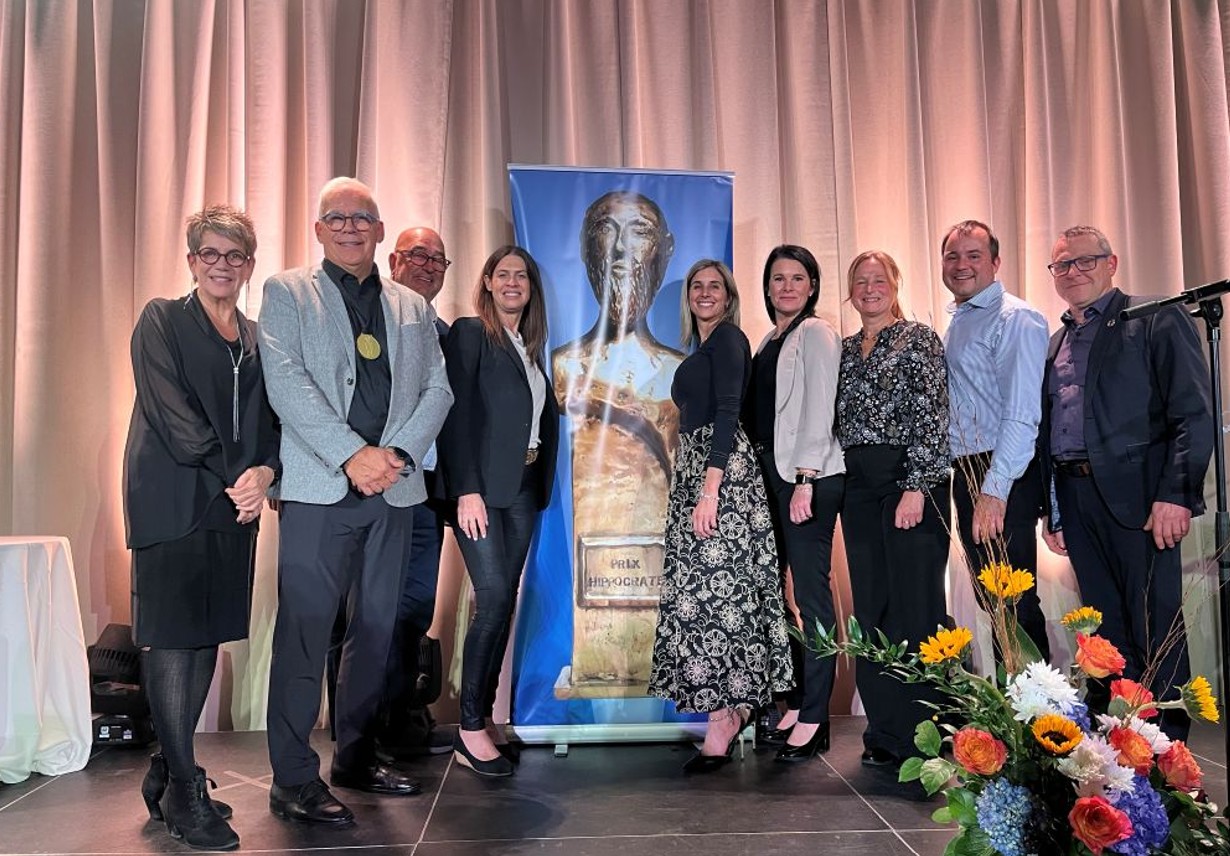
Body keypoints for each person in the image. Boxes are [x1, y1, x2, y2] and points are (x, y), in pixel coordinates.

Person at [258, 177, 453, 824]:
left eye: (361, 217)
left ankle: (356, 755)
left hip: (393, 492)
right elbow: (286, 383)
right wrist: (352, 454)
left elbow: (438, 392)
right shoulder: (288, 292)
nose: (349, 227)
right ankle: (291, 778)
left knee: (375, 632)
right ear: (318, 230)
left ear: (377, 229)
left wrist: (392, 456)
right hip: (320, 490)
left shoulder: (412, 307)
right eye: (335, 217)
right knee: (305, 633)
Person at [123, 204, 279, 851]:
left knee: (206, 636)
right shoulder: (161, 319)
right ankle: (185, 791)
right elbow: (174, 417)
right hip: (173, 497)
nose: (221, 265)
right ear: (192, 261)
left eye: (234, 255)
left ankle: (168, 769)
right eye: (209, 254)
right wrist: (236, 478)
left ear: (248, 264)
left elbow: (272, 419)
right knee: (172, 641)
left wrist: (265, 474)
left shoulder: (258, 335)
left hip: (233, 504)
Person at [1041, 225, 1213, 740]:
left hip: (1142, 500)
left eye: (1084, 261)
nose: (1072, 272)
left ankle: (1168, 759)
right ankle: (1122, 747)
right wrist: (1054, 510)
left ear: (1111, 263)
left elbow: (1193, 412)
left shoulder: (1154, 316)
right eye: (1062, 266)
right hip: (1077, 499)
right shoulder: (1056, 342)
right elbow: (1054, 431)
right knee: (1105, 636)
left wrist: (1175, 495)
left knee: (1155, 627)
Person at [649, 259, 793, 773]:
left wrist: (710, 491)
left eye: (715, 286)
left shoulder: (730, 340)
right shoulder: (705, 347)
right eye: (697, 286)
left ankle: (725, 719)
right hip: (699, 471)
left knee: (718, 599)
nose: (705, 293)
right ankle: (727, 711)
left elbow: (730, 410)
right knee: (706, 598)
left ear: (729, 296)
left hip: (721, 476)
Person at [550, 190, 684, 694]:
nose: (623, 248)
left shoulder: (679, 373)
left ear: (665, 251)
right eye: (607, 229)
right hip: (594, 541)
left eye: (641, 231)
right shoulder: (565, 366)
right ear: (587, 248)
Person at [438, 246, 559, 777]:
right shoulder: (470, 333)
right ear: (486, 282)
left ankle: (482, 719)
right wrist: (466, 489)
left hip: (525, 489)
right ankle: (467, 728)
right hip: (483, 492)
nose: (513, 283)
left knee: (503, 603)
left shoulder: (530, 348)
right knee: (490, 600)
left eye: (522, 277)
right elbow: (457, 412)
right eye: (503, 274)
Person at [836, 250, 951, 768]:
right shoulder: (842, 350)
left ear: (896, 283)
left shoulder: (918, 339)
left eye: (878, 279)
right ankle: (884, 732)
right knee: (873, 608)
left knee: (916, 608)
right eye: (860, 281)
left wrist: (916, 488)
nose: (869, 288)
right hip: (858, 486)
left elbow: (933, 417)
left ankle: (925, 734)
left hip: (908, 482)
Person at [742, 245, 844, 762]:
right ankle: (797, 698)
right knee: (773, 595)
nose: (786, 287)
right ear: (767, 287)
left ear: (811, 287)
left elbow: (821, 408)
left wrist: (805, 477)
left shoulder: (817, 333)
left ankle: (815, 714)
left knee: (811, 597)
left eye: (796, 278)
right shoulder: (770, 339)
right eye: (777, 278)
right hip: (771, 476)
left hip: (807, 478)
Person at [940, 220, 1051, 663]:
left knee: (1016, 601)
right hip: (968, 470)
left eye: (973, 255)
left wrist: (994, 489)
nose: (961, 265)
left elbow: (1023, 415)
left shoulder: (1015, 318)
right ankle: (1012, 715)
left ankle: (1042, 722)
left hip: (1001, 473)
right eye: (952, 256)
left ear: (996, 263)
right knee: (994, 603)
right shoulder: (963, 319)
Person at [375, 227, 455, 757]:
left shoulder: (450, 332)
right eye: (417, 255)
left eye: (437, 260)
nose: (427, 265)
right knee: (367, 611)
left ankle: (402, 718)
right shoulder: (369, 317)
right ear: (394, 259)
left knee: (414, 607)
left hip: (425, 491)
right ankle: (362, 730)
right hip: (372, 484)